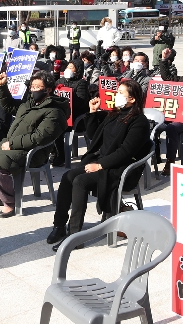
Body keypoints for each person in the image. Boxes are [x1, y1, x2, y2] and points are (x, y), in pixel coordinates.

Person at [47, 79, 151, 250]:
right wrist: (93, 113)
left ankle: (75, 237)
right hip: (104, 162)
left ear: (132, 99)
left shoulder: (139, 121)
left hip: (120, 168)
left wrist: (100, 165)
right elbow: (95, 137)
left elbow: (126, 152)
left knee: (80, 181)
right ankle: (59, 225)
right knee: (67, 176)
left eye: (120, 93)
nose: (117, 95)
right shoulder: (115, 114)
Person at [0, 71, 69, 218]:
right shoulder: (29, 104)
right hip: (11, 146)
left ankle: (11, 203)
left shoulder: (54, 111)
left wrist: (12, 144)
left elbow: (39, 138)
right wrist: (1, 87)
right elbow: (9, 106)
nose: (33, 90)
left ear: (48, 89)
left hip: (32, 153)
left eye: (37, 87)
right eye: (32, 86)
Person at [51, 59, 90, 166]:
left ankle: (61, 155)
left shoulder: (81, 83)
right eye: (68, 67)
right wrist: (55, 73)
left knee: (57, 127)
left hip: (76, 118)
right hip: (61, 115)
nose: (68, 69)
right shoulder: (60, 81)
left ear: (78, 70)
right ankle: (53, 152)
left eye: (71, 67)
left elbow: (81, 103)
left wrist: (69, 94)